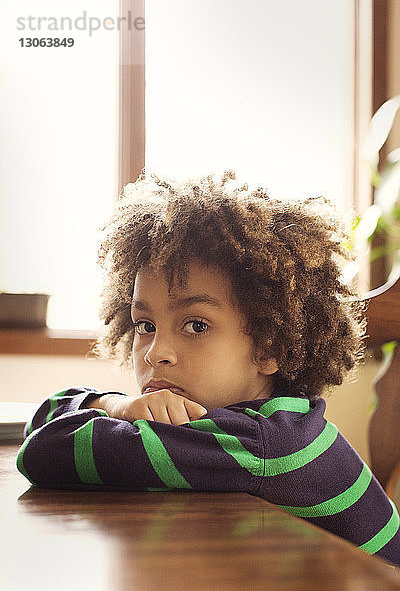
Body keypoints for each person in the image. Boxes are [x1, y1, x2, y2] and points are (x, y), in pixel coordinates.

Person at [16, 171, 400, 566]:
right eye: (145, 326)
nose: (155, 353)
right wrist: (115, 404)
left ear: (272, 345)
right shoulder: (265, 423)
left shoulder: (256, 444)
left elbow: (41, 451)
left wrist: (113, 411)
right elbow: (43, 422)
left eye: (196, 325)